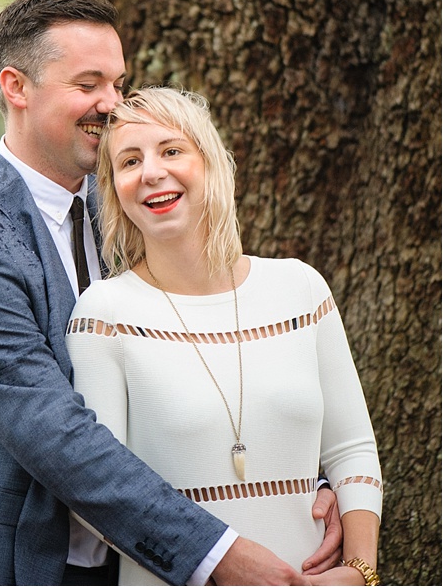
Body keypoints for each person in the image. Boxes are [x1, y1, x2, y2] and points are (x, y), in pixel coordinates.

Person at [0, 0, 344, 586]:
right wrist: (217, 556)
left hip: (139, 568)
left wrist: (310, 475)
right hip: (23, 564)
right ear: (16, 86)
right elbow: (53, 431)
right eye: (89, 85)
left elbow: (209, 351)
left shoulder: (130, 204)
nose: (112, 105)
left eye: (118, 83)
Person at [66, 87, 382, 586]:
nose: (151, 172)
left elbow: (352, 449)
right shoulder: (104, 313)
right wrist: (216, 564)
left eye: (171, 151)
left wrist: (359, 571)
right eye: (129, 161)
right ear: (115, 190)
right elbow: (96, 499)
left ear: (210, 163)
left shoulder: (300, 288)